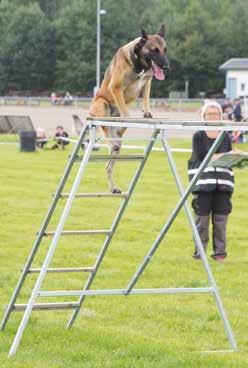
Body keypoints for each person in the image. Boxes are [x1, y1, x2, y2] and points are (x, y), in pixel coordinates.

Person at [188, 101, 234, 261]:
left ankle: (220, 254)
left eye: (216, 114)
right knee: (202, 222)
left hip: (223, 186)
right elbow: (202, 157)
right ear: (204, 116)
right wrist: (224, 155)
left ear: (220, 116)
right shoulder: (198, 135)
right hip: (203, 186)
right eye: (210, 114)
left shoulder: (225, 136)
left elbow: (228, 157)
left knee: (221, 222)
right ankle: (199, 254)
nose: (213, 117)